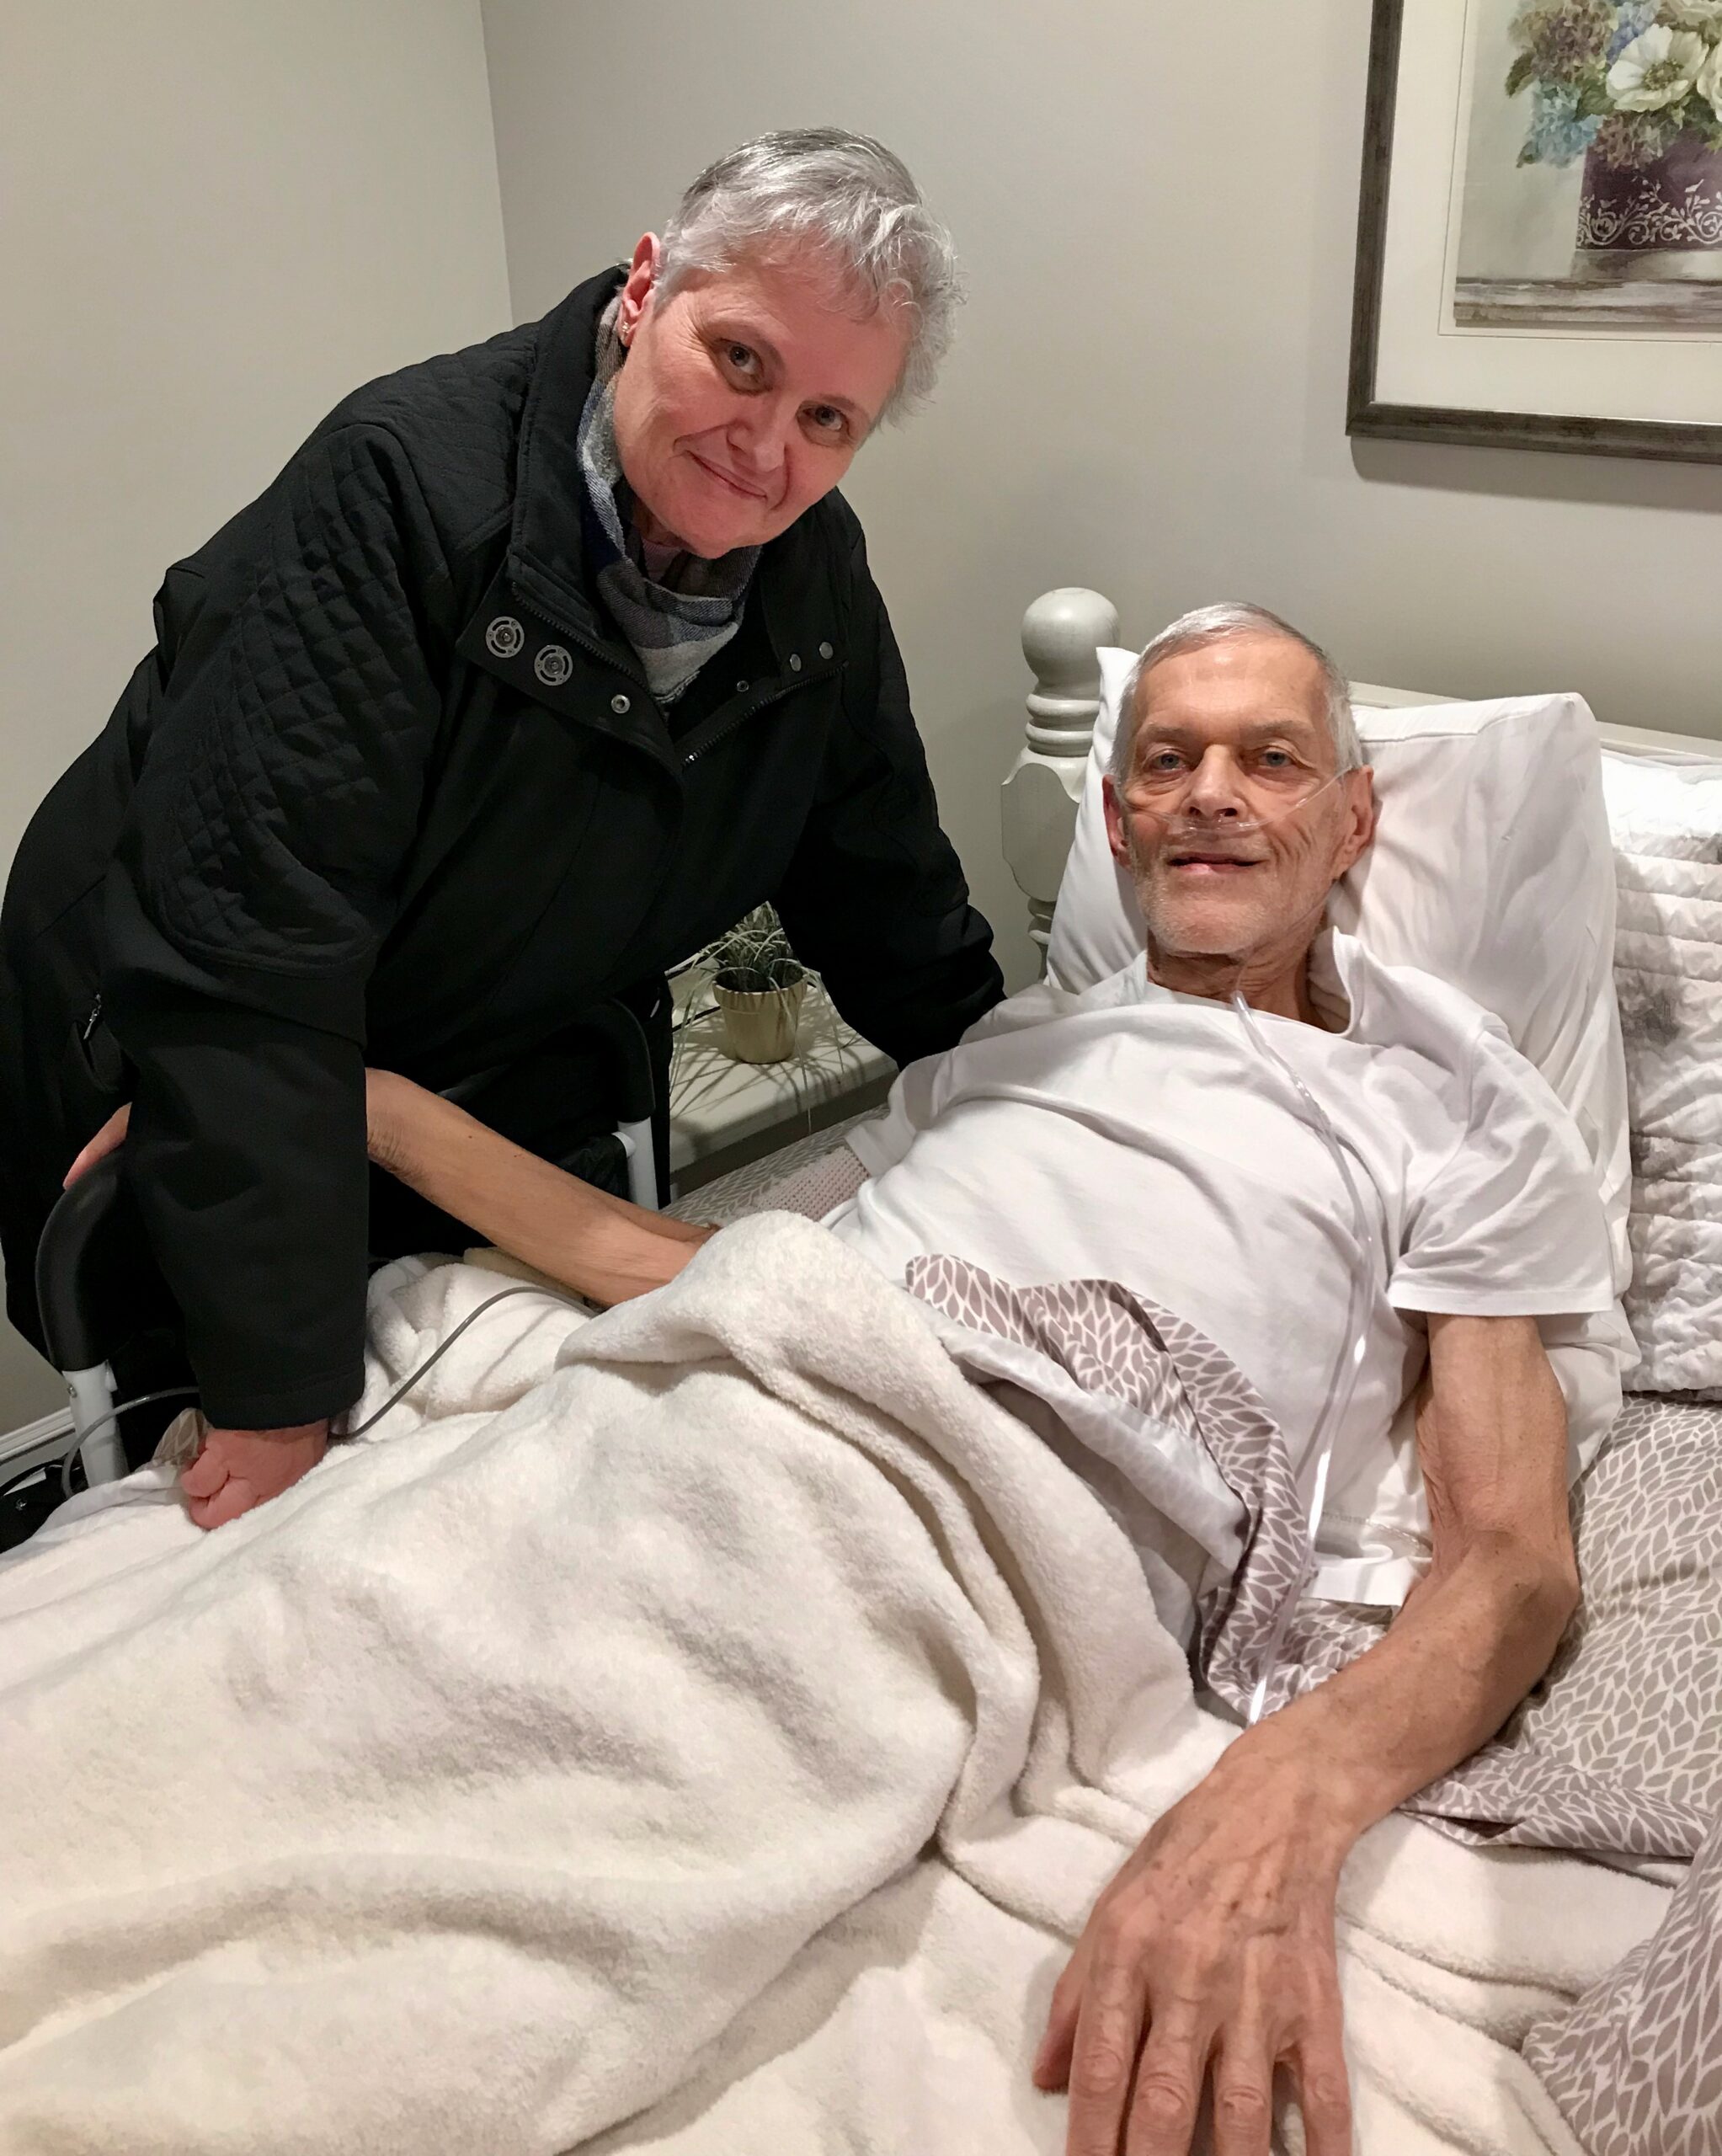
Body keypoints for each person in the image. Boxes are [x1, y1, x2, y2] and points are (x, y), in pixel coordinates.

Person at [317, 603, 1619, 2155]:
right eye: (1167, 761)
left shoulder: (1452, 1100)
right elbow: (701, 1271)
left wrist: (1277, 1800)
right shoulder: (1007, 1047)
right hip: (725, 1418)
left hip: (988, 1528)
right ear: (1118, 823)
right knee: (352, 1695)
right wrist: (357, 1103)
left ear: (1351, 822)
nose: (1209, 792)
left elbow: (1509, 1558)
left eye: (1268, 760)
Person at [0, 127, 1003, 1530]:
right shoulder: (400, 493)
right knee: (263, 1488)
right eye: (741, 360)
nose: (766, 448)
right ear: (645, 290)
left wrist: (1010, 1089)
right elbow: (244, 950)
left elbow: (879, 874)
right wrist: (273, 1394)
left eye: (829, 419)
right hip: (188, 1057)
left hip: (477, 1046)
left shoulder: (809, 578)